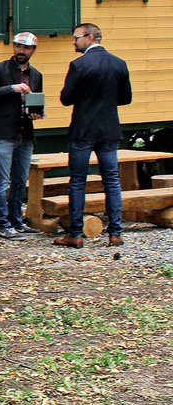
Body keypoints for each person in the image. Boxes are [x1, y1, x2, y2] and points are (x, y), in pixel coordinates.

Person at [54, 23, 133, 248]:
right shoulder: (119, 64)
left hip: (83, 128)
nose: (73, 41)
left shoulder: (79, 65)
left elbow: (66, 98)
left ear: (89, 38)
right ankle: (115, 232)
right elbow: (126, 98)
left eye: (76, 37)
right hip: (109, 128)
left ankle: (75, 233)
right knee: (112, 180)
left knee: (78, 181)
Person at [0, 32, 44, 239]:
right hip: (2, 133)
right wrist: (12, 88)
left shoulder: (36, 74)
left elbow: (36, 101)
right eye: (18, 46)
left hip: (25, 133)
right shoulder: (0, 68)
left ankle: (17, 221)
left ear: (33, 50)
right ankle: (2, 224)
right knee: (2, 182)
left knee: (20, 180)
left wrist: (37, 113)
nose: (21, 51)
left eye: (26, 48)